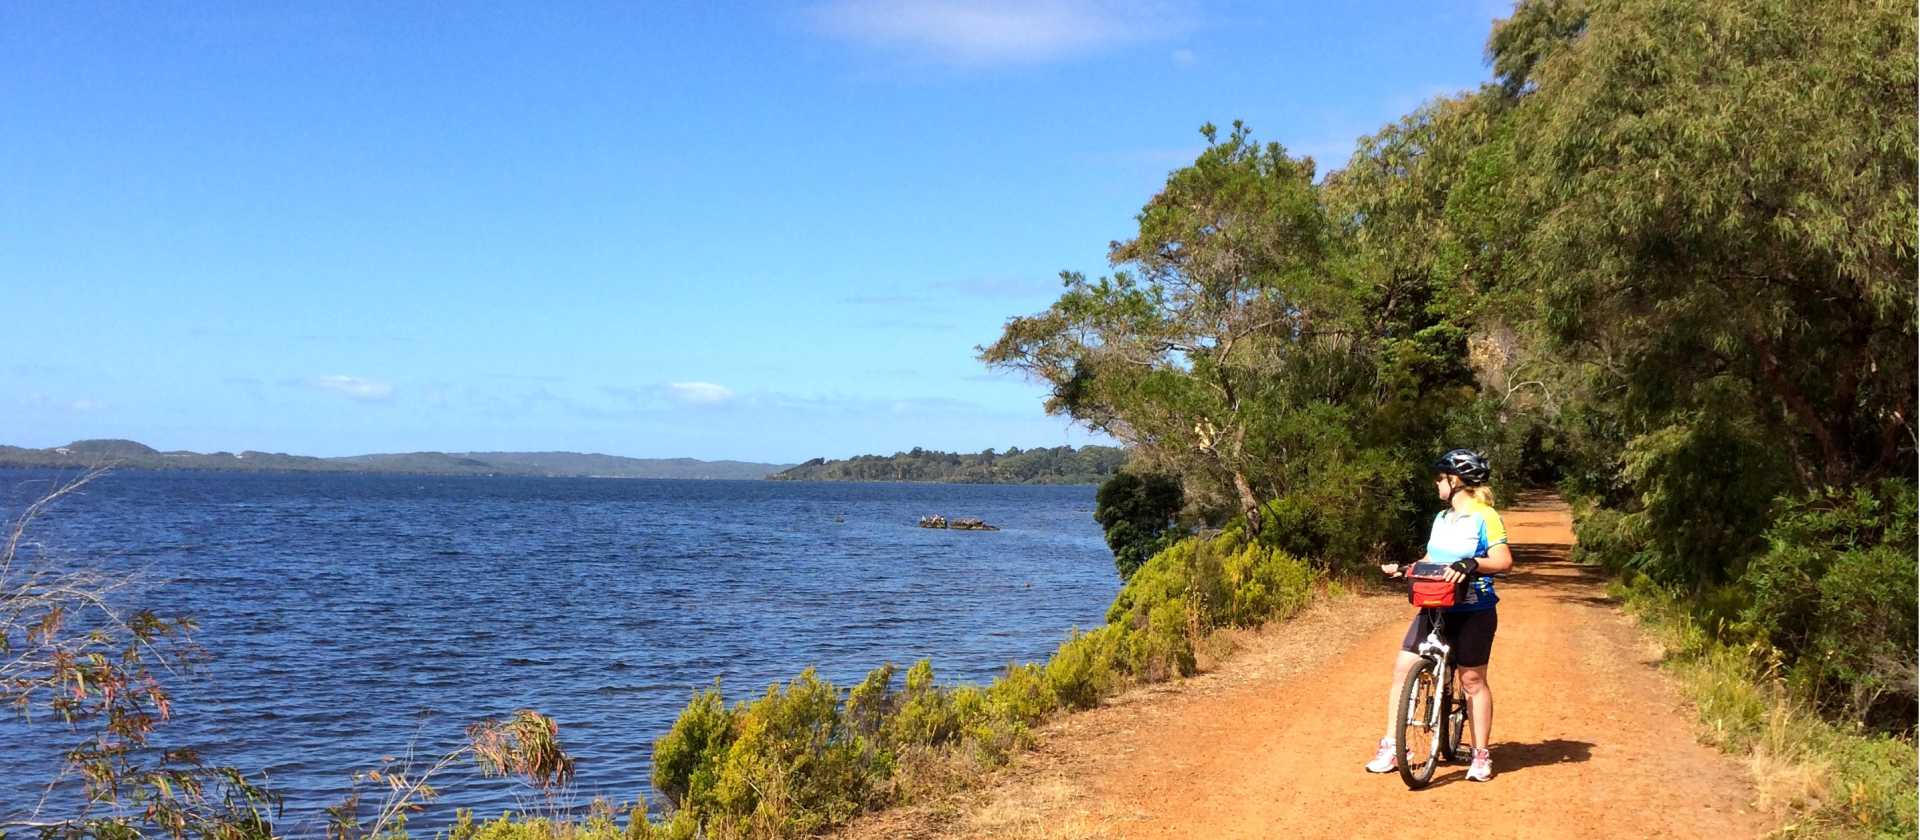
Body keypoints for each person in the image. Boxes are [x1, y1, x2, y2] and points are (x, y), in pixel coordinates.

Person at [1365, 448, 1513, 782]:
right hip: (1435, 606)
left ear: (1455, 480)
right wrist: (1407, 568)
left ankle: (1480, 756)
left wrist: (1472, 563)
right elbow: (1434, 557)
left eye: (1440, 478)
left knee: (1472, 680)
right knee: (1403, 668)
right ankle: (1392, 747)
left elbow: (1503, 561)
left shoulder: (1485, 516)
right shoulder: (1441, 518)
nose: (1436, 484)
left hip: (1473, 609)